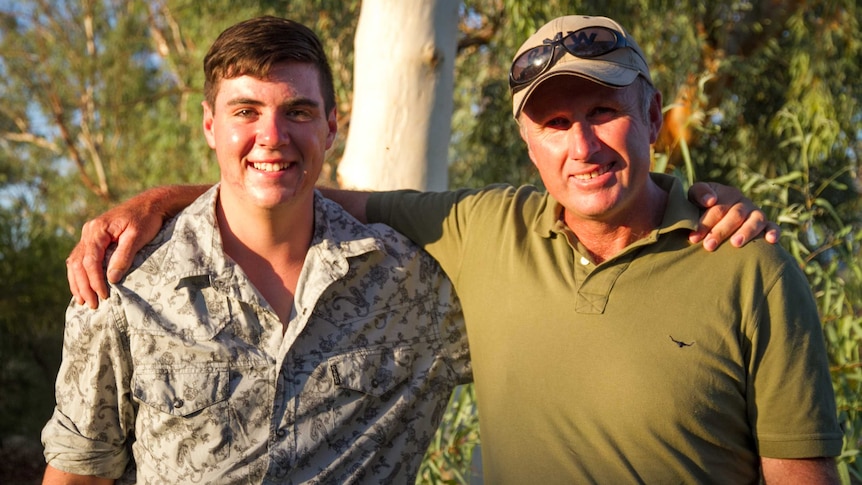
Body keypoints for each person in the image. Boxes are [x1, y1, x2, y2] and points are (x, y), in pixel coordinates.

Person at [60, 14, 828, 484]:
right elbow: (282, 184)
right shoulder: (126, 282)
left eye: (604, 111)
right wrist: (157, 202)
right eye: (556, 123)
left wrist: (714, 198)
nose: (583, 144)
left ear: (655, 116)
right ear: (527, 141)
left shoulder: (744, 261)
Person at [41, 16, 471, 484]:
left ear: (331, 127)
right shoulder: (126, 286)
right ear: (210, 125)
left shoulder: (412, 282)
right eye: (246, 111)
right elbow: (79, 472)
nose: (272, 135)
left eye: (298, 112)